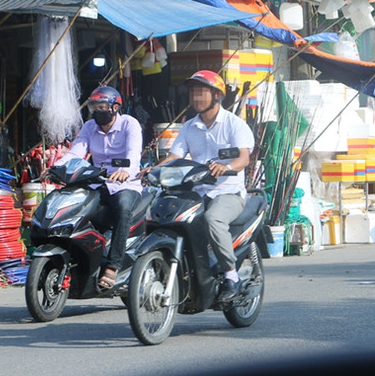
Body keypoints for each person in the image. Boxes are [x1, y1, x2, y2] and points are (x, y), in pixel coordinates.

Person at [145, 70, 254, 303]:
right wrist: (153, 169)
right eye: (193, 92)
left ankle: (231, 275)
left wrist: (227, 167)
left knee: (213, 219)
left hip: (229, 192)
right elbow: (175, 155)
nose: (195, 97)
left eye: (201, 92)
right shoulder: (188, 127)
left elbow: (244, 158)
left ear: (217, 95)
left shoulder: (234, 124)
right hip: (196, 192)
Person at [52, 86, 142, 289]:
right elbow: (76, 153)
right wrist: (55, 167)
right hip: (97, 183)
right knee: (75, 208)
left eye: (101, 106)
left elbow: (133, 155)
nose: (97, 111)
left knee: (123, 208)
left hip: (125, 184)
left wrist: (126, 171)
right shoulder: (89, 127)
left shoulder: (130, 124)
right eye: (93, 106)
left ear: (115, 107)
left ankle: (113, 265)